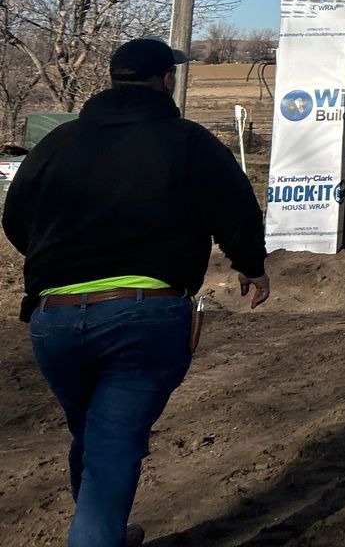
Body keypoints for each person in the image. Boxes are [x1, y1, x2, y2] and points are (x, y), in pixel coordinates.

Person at [3, 36, 269, 547]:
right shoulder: (186, 140)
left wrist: (56, 260)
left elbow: (16, 219)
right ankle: (97, 536)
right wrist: (251, 267)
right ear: (166, 80)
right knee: (110, 444)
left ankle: (106, 530)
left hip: (53, 319)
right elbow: (234, 206)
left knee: (93, 435)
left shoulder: (59, 143)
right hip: (145, 317)